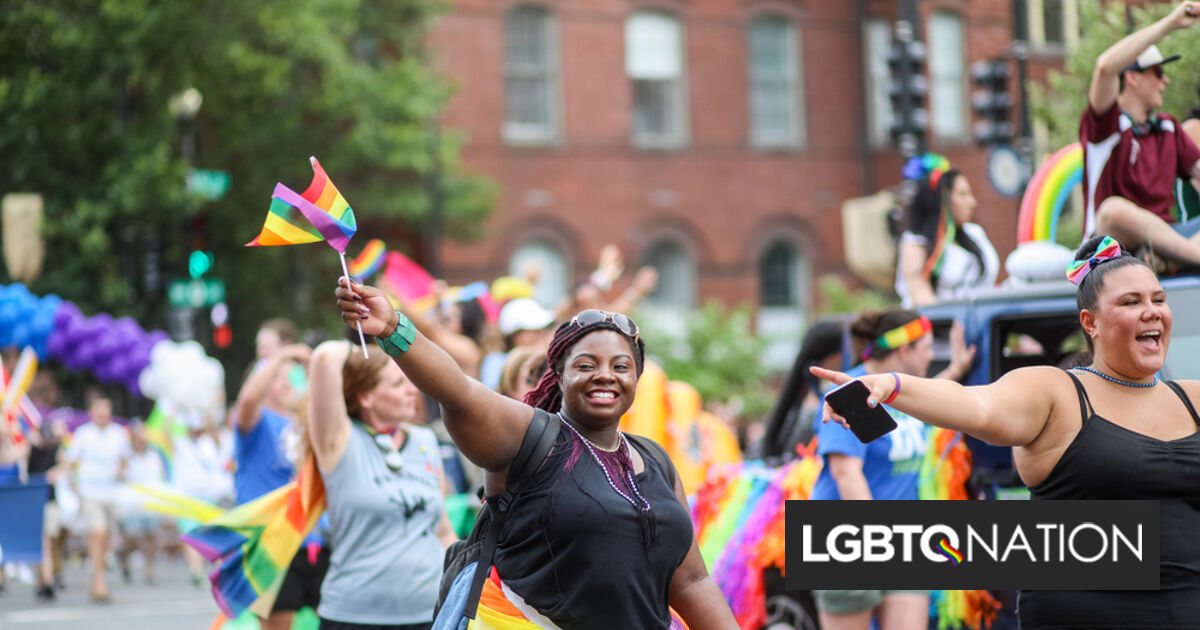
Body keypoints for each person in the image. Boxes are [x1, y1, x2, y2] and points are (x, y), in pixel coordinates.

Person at [813, 234, 1200, 629]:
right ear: (1091, 323)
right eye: (1131, 302)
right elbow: (977, 406)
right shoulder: (1057, 391)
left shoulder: (1192, 399)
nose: (1152, 311)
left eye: (1158, 299)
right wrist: (894, 385)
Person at [335, 278, 738, 630]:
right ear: (559, 376)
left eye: (621, 366)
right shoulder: (532, 437)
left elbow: (690, 582)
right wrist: (393, 328)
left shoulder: (655, 460)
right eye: (586, 364)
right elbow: (458, 391)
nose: (605, 375)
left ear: (636, 379)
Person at [808, 309, 975, 630]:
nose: (931, 354)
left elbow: (928, 396)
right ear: (904, 350)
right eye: (926, 346)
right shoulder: (850, 392)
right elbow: (847, 475)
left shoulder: (900, 392)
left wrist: (957, 368)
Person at [306, 341, 456, 630]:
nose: (412, 390)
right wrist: (360, 350)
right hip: (354, 618)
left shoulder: (425, 441)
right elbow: (324, 357)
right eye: (398, 383)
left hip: (430, 615)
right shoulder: (340, 442)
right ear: (366, 397)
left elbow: (442, 530)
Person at [1082, 1, 1200, 269]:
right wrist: (1172, 23)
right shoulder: (1108, 125)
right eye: (1158, 72)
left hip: (1169, 241)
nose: (1165, 81)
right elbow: (1105, 67)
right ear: (1132, 78)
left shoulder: (1169, 127)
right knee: (1113, 210)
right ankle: (1181, 258)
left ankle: (1169, 258)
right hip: (1111, 250)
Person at [233, 340, 326, 630]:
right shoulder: (255, 424)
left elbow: (325, 398)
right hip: (271, 543)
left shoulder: (307, 424)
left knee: (336, 619)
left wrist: (311, 365)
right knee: (277, 624)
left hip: (314, 540)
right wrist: (281, 356)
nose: (285, 382)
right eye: (276, 377)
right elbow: (248, 401)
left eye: (290, 376)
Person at [896, 166, 999, 307]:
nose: (972, 203)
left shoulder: (975, 233)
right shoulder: (916, 242)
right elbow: (920, 294)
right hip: (941, 324)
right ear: (941, 199)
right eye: (963, 195)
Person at [66, 394, 128, 603]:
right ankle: (99, 581)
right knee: (98, 533)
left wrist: (120, 472)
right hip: (90, 492)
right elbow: (71, 462)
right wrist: (74, 487)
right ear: (92, 414)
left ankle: (96, 576)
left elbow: (124, 460)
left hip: (110, 493)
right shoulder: (83, 434)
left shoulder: (119, 434)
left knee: (106, 538)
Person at [115, 420, 165, 585]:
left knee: (152, 535)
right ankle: (124, 557)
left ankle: (149, 568)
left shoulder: (154, 455)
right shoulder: (126, 455)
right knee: (131, 537)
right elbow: (118, 476)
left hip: (150, 502)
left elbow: (160, 476)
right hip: (131, 503)